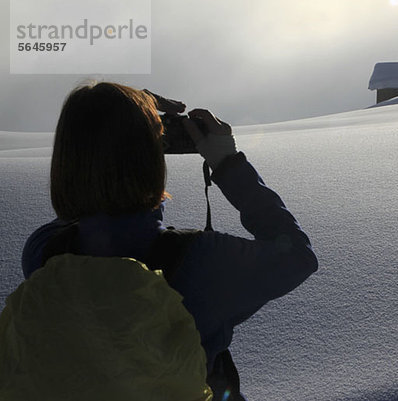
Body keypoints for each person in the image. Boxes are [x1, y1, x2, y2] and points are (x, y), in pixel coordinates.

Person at [20, 82, 318, 399]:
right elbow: (298, 257)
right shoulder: (202, 262)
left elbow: (83, 216)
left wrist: (113, 124)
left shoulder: (44, 255)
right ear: (149, 157)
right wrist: (227, 163)